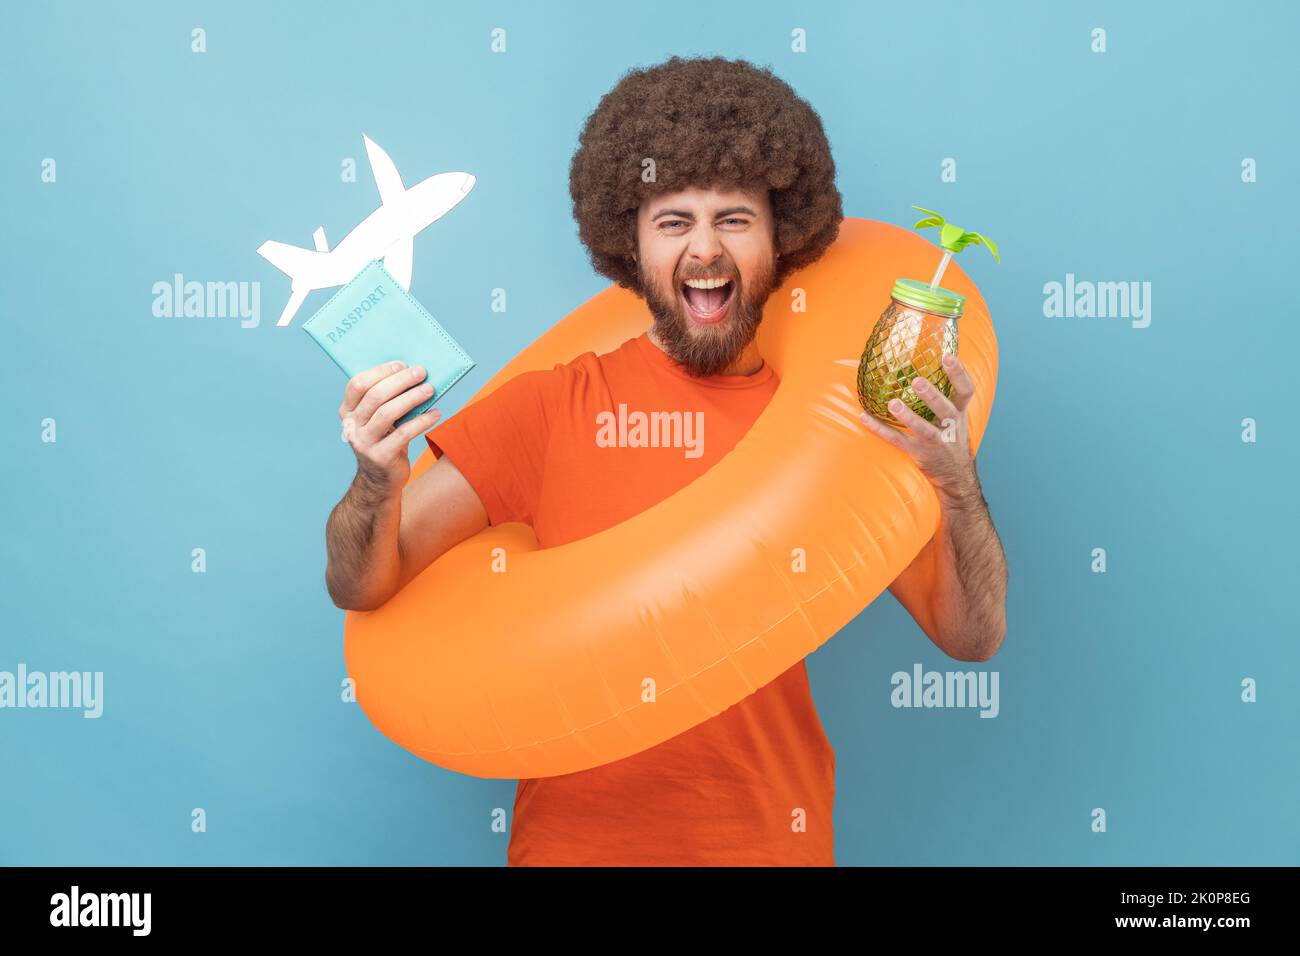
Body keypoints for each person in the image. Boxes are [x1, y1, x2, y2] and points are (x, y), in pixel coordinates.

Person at [324, 55, 1008, 866]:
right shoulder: (549, 409)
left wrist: (955, 482)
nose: (705, 250)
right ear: (631, 242)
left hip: (768, 845)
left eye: (735, 219)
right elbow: (362, 583)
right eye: (674, 221)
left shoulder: (841, 423)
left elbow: (971, 639)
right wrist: (375, 480)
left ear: (781, 237)